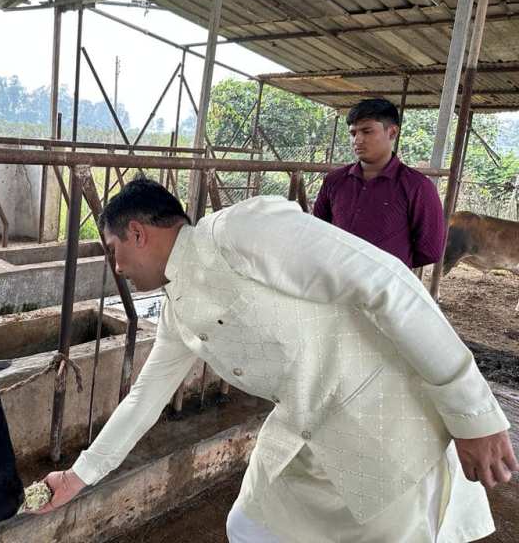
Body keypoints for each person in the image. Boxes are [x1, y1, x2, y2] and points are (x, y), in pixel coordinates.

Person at [36, 177, 516, 542]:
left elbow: (385, 281)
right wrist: (81, 475)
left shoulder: (240, 231)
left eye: (114, 251)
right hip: (302, 434)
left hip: (384, 426)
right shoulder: (178, 310)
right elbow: (144, 397)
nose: (116, 267)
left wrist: (472, 415)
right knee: (248, 526)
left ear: (137, 233)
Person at [314, 98, 445, 268]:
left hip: (386, 287)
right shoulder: (334, 180)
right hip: (335, 280)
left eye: (367, 131)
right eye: (353, 133)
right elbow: (319, 229)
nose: (357, 140)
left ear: (392, 133)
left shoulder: (417, 187)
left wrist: (391, 266)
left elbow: (430, 250)